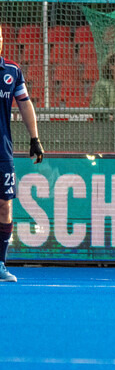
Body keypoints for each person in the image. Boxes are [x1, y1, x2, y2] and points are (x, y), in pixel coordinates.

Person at [0, 25, 45, 282]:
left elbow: (25, 104)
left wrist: (34, 139)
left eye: (0, 38)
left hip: (2, 152)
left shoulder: (12, 71)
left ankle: (0, 264)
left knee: (5, 207)